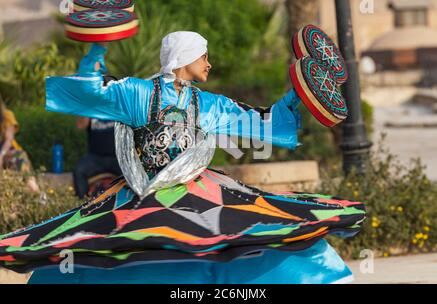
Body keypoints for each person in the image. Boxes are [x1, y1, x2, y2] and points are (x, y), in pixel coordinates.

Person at [0, 31, 366, 284]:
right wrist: (96, 50)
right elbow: (91, 92)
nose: (209, 64)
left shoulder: (207, 103)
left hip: (199, 189)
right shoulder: (137, 94)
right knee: (106, 240)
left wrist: (300, 94)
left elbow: (262, 121)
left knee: (247, 228)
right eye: (204, 56)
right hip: (141, 192)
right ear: (186, 58)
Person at [73, 111, 122, 199]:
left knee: (131, 173)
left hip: (118, 157)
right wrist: (87, 107)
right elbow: (80, 126)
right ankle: (82, 203)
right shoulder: (92, 105)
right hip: (95, 157)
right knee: (79, 171)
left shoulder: (117, 105)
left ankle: (132, 204)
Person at [0, 96, 40, 193]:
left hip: (10, 153)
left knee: (20, 159)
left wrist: (1, 155)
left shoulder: (7, 115)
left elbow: (9, 139)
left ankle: (38, 195)